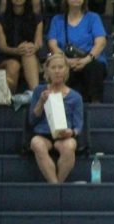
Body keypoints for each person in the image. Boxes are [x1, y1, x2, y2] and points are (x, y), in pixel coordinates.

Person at [27, 54, 83, 185]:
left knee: (69, 146)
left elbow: (79, 125)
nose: (57, 71)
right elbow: (32, 120)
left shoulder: (75, 97)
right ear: (47, 71)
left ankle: (56, 186)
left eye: (60, 67)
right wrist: (41, 101)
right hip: (43, 134)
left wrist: (72, 132)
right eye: (53, 67)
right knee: (36, 143)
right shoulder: (39, 91)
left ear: (66, 70)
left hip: (64, 135)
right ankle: (56, 186)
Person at [46, 0, 108, 103]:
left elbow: (101, 42)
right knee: (59, 69)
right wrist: (66, 61)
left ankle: (95, 105)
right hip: (65, 61)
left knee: (95, 68)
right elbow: (52, 44)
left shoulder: (93, 18)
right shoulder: (57, 20)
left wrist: (86, 60)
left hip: (90, 60)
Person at [0, 0, 43, 102]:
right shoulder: (0, 19)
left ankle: (36, 94)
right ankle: (8, 99)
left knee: (28, 51)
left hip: (30, 55)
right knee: (14, 64)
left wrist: (33, 47)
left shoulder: (37, 18)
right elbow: (3, 47)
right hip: (7, 56)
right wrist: (16, 50)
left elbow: (39, 43)